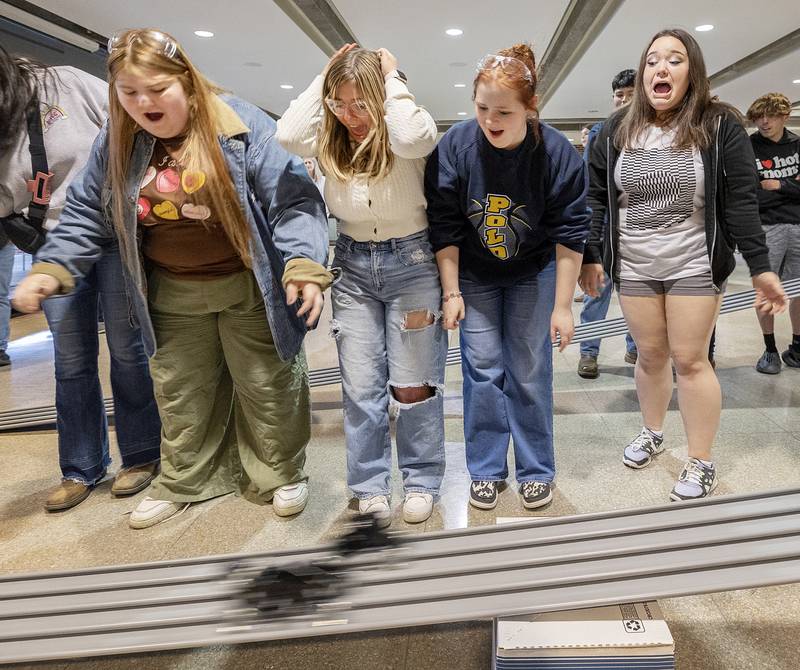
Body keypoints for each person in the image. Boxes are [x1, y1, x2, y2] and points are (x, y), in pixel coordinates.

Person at [13, 29, 331, 528]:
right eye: (129, 92)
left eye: (157, 89)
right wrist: (53, 266)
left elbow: (292, 199)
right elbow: (85, 213)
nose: (143, 103)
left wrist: (302, 264)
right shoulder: (116, 142)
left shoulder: (240, 124)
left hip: (246, 288)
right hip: (171, 294)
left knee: (267, 385)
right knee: (181, 391)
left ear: (186, 81)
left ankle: (280, 473)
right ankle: (186, 479)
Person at [580, 28, 787, 501]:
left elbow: (740, 200)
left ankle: (701, 459)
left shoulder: (718, 124)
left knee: (691, 361)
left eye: (674, 60)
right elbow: (596, 198)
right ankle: (653, 432)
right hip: (633, 264)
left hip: (693, 262)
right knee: (650, 357)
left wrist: (760, 265)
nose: (661, 68)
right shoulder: (615, 129)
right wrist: (592, 254)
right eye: (653, 60)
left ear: (692, 70)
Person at [277, 44, 446, 527]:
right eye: (339, 104)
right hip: (351, 268)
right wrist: (326, 75)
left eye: (359, 104)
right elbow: (288, 133)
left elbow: (416, 138)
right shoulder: (330, 140)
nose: (350, 116)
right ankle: (369, 487)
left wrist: (392, 79)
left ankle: (421, 480)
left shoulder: (401, 126)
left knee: (414, 385)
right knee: (362, 388)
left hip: (412, 265)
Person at [425, 44, 590, 511]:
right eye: (481, 108)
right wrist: (451, 290)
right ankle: (486, 469)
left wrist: (562, 307)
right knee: (481, 371)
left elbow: (570, 232)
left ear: (530, 109)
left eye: (503, 111)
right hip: (474, 275)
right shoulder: (456, 146)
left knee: (530, 370)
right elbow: (446, 225)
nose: (490, 121)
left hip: (531, 273)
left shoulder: (555, 153)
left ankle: (536, 469)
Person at [0, 45, 162, 511]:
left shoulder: (65, 84)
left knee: (130, 352)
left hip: (112, 236)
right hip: (51, 246)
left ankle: (142, 454)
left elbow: (129, 129)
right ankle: (81, 466)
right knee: (71, 362)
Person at [577, 68, 638, 379]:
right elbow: (593, 187)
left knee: (637, 297)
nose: (623, 101)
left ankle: (636, 348)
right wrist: (591, 244)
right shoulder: (601, 132)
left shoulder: (651, 133)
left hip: (638, 230)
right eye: (619, 95)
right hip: (604, 228)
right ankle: (588, 352)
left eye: (630, 95)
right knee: (596, 294)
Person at [746, 92, 800, 374]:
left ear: (784, 116)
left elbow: (768, 188)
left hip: (798, 225)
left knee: (799, 291)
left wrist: (778, 185)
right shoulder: (749, 146)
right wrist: (792, 186)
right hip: (765, 226)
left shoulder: (797, 144)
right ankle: (769, 350)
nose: (764, 122)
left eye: (770, 116)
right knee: (765, 291)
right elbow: (751, 193)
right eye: (758, 118)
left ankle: (798, 346)